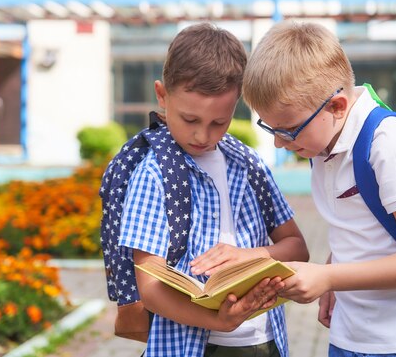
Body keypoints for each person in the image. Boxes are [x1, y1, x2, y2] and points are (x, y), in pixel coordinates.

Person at [241, 20, 396, 357]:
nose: (279, 142)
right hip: (348, 338)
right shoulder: (323, 141)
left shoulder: (388, 144)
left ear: (337, 106)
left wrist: (331, 278)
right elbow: (362, 228)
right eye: (270, 128)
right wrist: (331, 270)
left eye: (288, 130)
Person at [119, 22, 310, 357]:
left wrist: (248, 257)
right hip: (191, 345)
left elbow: (297, 248)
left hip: (263, 340)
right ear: (162, 95)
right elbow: (149, 288)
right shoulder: (153, 173)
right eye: (190, 120)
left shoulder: (247, 162)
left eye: (218, 122)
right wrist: (216, 321)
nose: (203, 136)